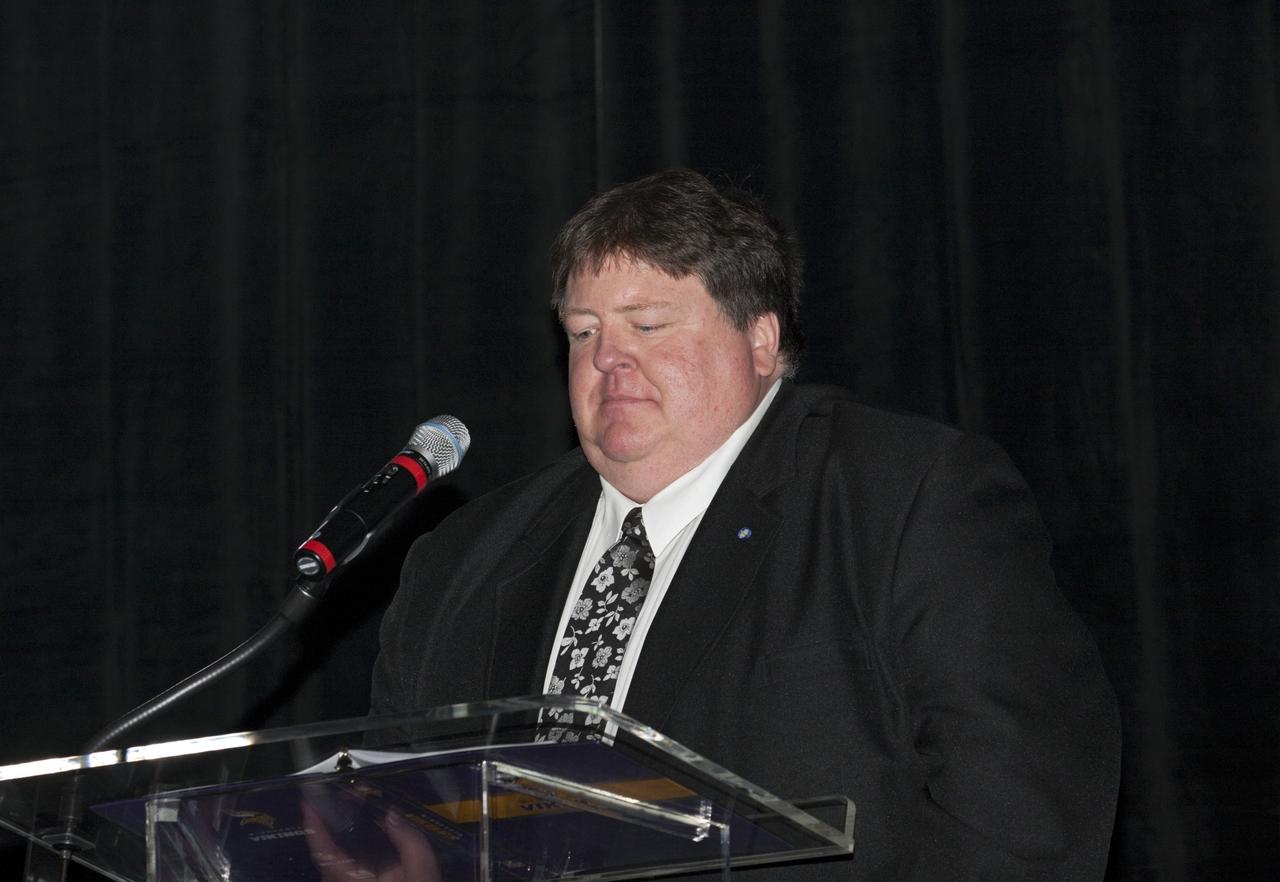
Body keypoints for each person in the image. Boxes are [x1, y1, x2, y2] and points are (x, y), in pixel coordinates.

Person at [370, 169, 1121, 879]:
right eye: (585, 332)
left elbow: (1022, 820)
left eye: (650, 324)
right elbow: (392, 822)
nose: (610, 361)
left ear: (762, 342)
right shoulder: (461, 561)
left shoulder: (904, 500)